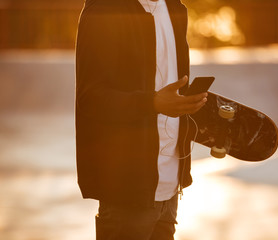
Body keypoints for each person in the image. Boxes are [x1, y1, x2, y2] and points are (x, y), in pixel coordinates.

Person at [75, 0, 207, 239]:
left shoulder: (174, 7)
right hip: (126, 189)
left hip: (170, 188)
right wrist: (153, 103)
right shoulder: (104, 9)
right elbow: (90, 98)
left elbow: (171, 86)